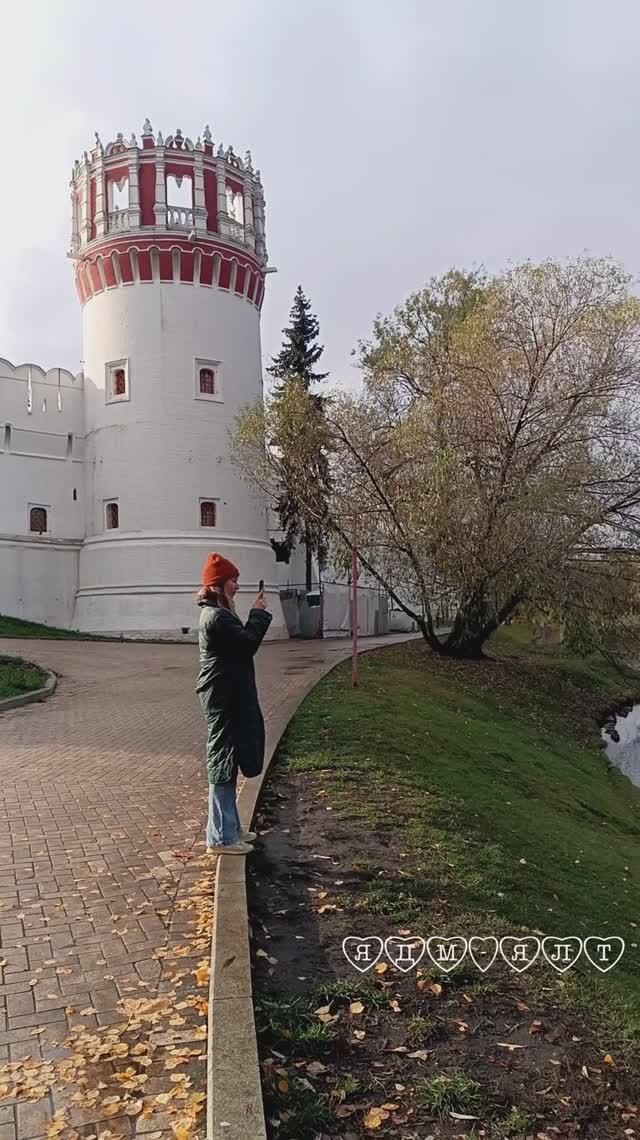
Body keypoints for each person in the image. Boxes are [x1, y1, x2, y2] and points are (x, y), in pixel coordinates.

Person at [196, 553, 272, 855]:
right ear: (219, 584)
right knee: (222, 762)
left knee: (228, 760)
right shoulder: (217, 617)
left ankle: (230, 828)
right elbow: (247, 644)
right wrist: (257, 614)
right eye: (233, 581)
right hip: (224, 697)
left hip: (227, 694)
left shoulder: (217, 613)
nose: (237, 586)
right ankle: (220, 838)